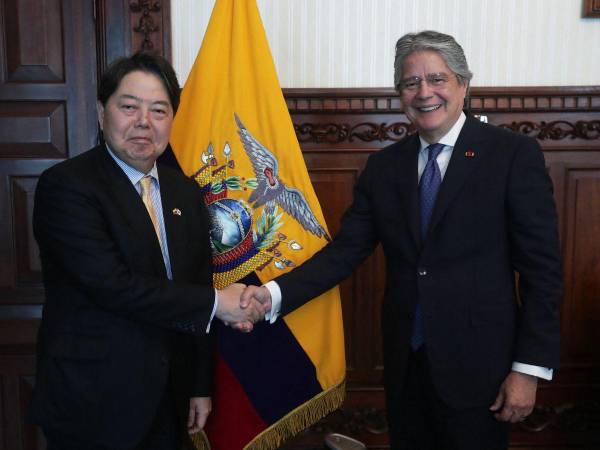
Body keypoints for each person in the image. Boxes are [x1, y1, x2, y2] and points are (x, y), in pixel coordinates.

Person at [241, 31, 562, 450]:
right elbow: (344, 253)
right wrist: (271, 295)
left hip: (482, 370)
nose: (424, 92)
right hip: (405, 366)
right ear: (399, 93)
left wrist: (528, 368)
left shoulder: (512, 155)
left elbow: (543, 271)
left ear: (463, 84)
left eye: (437, 79)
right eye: (411, 83)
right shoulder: (383, 167)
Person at [28, 52, 264, 450]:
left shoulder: (184, 191)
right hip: (94, 401)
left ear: (172, 119)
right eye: (129, 107)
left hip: (169, 400)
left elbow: (197, 283)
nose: (143, 122)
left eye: (159, 110)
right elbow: (112, 285)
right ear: (103, 112)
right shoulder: (67, 187)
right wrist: (218, 304)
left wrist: (199, 385)